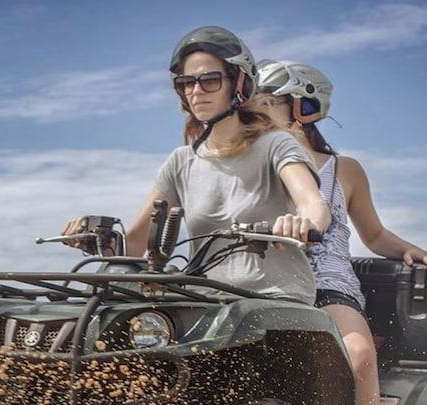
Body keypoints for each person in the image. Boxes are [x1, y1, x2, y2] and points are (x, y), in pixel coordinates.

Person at [256, 59, 427, 405]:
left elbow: (374, 235)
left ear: (303, 108)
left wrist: (415, 252)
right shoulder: (254, 164)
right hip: (264, 287)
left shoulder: (344, 170)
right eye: (255, 104)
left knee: (360, 356)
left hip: (327, 286)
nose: (258, 113)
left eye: (269, 103)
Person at [64, 26, 330, 305]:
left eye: (210, 80)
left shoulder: (275, 144)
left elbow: (313, 203)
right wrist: (95, 239)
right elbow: (133, 245)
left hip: (275, 299)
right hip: (204, 302)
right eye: (186, 83)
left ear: (239, 84)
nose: (196, 91)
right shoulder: (181, 162)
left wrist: (304, 223)